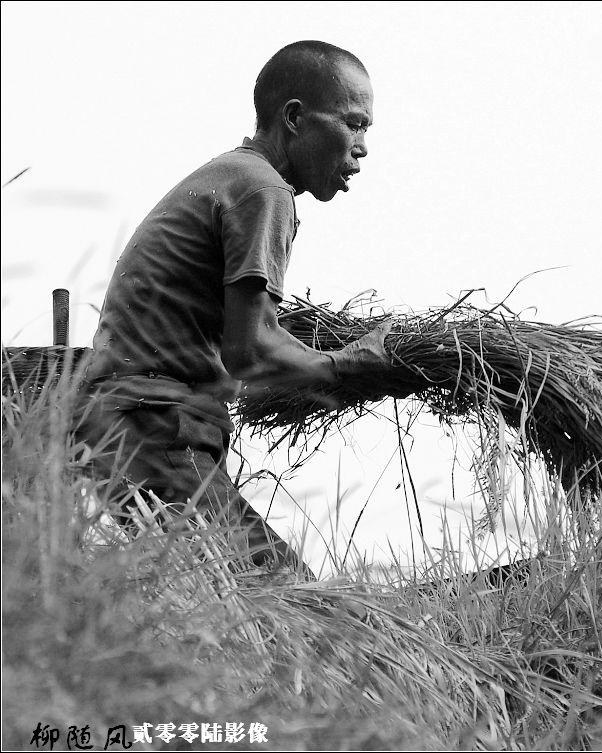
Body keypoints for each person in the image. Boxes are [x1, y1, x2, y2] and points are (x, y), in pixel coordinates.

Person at [75, 40, 396, 578]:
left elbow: (244, 333)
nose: (363, 147)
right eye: (353, 124)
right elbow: (251, 351)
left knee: (211, 606)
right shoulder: (264, 190)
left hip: (122, 429)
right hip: (156, 426)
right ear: (294, 118)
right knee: (289, 593)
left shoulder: (231, 174)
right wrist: (345, 365)